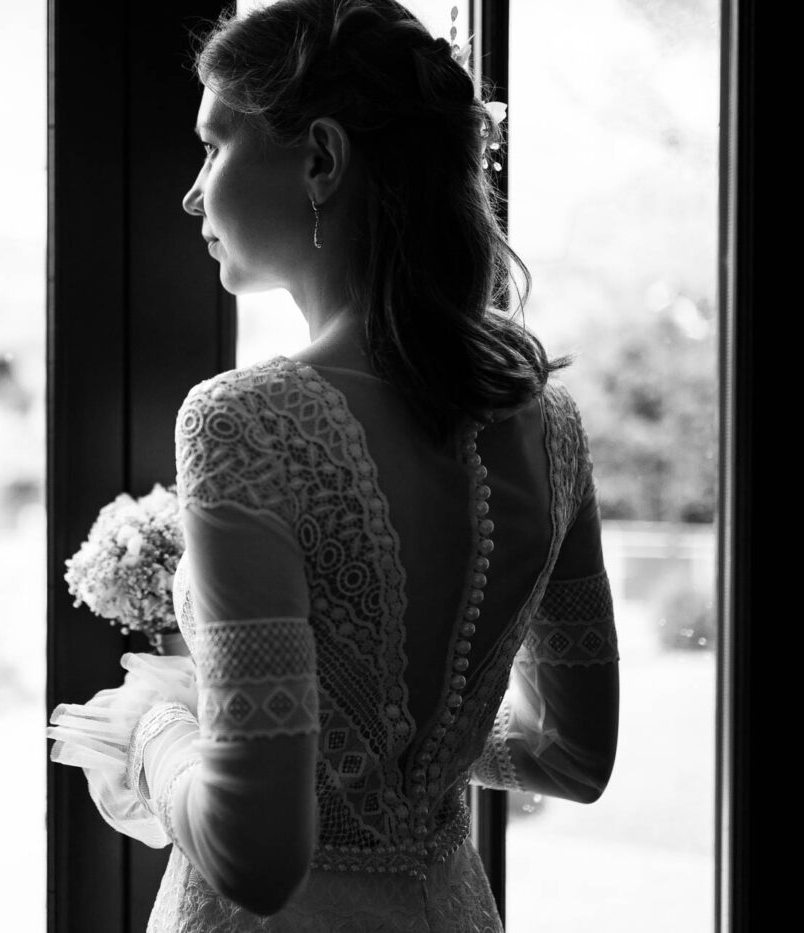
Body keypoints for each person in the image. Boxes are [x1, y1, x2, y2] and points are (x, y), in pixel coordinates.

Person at [47, 0, 620, 929]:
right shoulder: (548, 425)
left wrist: (156, 724)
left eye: (213, 148)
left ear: (319, 158)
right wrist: (401, 748)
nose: (192, 194)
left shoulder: (243, 422)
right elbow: (573, 754)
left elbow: (255, 855)